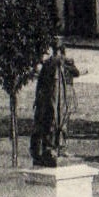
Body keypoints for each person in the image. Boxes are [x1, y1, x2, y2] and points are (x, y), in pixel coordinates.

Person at [30, 39, 80, 168]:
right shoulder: (54, 63)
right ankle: (52, 149)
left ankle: (58, 148)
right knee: (54, 122)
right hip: (54, 99)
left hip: (60, 99)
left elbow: (76, 73)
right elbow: (41, 83)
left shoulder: (59, 63)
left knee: (59, 123)